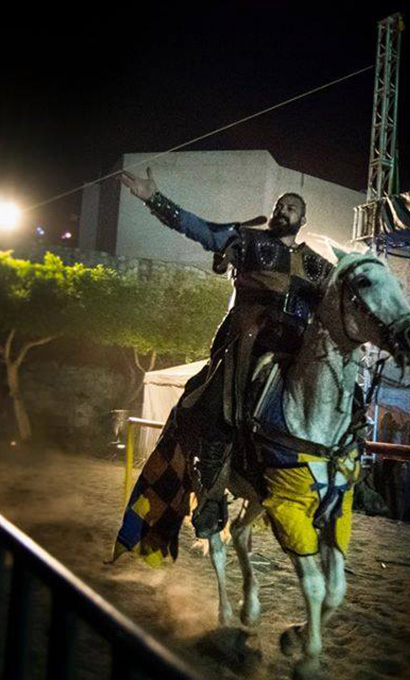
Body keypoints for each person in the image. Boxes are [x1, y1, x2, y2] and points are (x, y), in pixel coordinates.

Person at [114, 167, 334, 562]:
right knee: (212, 401)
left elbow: (342, 298)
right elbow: (200, 229)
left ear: (303, 221)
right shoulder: (248, 241)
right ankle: (212, 497)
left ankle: (347, 466)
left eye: (293, 207)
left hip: (296, 350)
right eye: (280, 205)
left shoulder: (318, 266)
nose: (284, 210)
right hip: (247, 341)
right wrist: (154, 199)